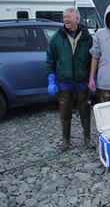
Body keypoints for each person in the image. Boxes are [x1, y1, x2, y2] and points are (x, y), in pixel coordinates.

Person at [46, 8, 93, 151]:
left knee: (85, 111)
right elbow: (50, 59)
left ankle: (87, 139)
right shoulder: (56, 37)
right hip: (64, 82)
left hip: (82, 81)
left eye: (69, 17)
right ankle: (66, 141)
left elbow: (93, 59)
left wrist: (93, 77)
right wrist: (51, 79)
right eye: (64, 17)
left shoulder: (87, 37)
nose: (65, 20)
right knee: (65, 112)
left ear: (77, 19)